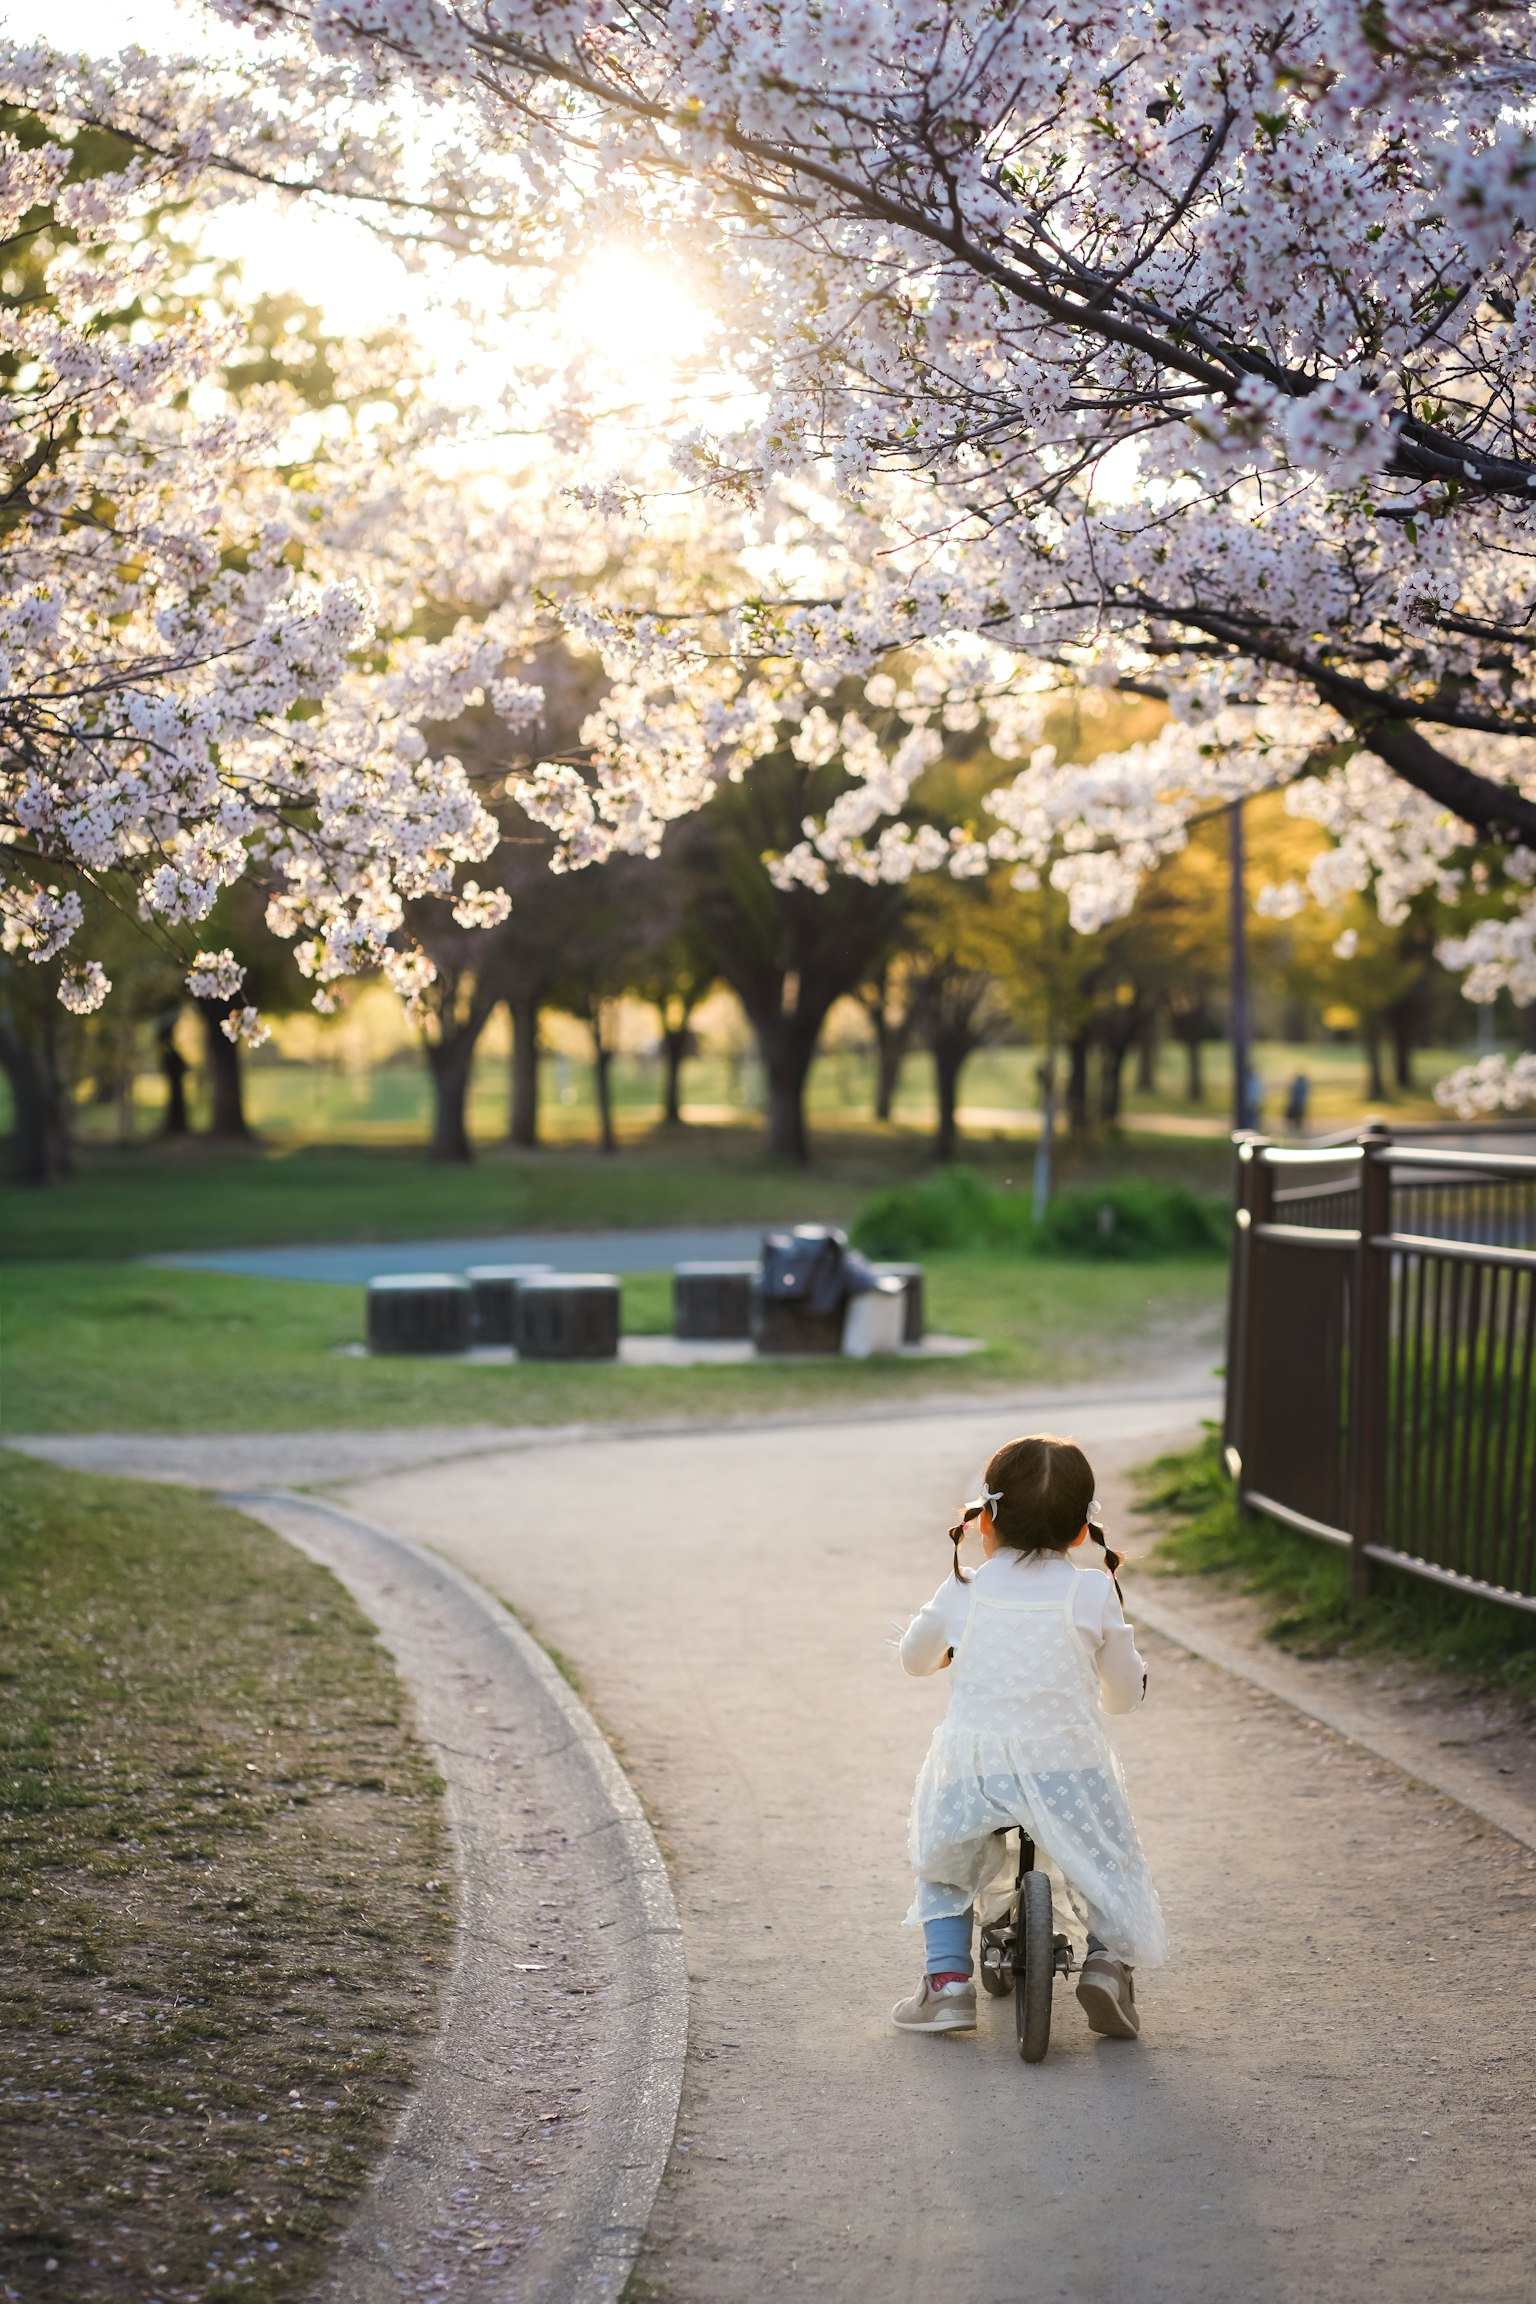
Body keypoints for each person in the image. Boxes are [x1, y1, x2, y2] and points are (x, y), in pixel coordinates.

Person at [892, 1433, 1166, 2041]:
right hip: (1067, 1763)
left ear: (985, 1519)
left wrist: (945, 1659)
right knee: (1104, 1854)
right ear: (1079, 1531)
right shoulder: (1090, 1592)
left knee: (945, 1859)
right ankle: (1104, 1962)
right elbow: (1121, 1696)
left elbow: (915, 1659)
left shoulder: (963, 1588)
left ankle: (947, 1985)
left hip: (974, 1769)